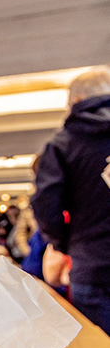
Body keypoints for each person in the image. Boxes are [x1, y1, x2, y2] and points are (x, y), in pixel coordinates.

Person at [31, 65, 110, 334]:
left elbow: (46, 204)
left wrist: (65, 242)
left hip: (94, 265)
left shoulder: (64, 144)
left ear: (75, 101)